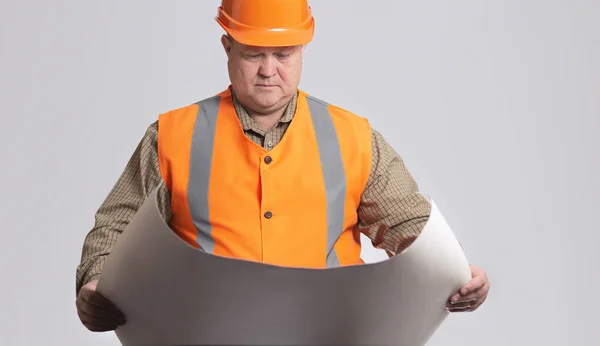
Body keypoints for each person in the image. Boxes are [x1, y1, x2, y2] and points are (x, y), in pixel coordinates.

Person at [75, 0, 490, 333]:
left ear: (303, 49)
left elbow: (412, 228)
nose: (268, 70)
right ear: (227, 47)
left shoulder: (354, 137)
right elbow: (116, 227)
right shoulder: (171, 135)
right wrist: (95, 283)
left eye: (283, 54)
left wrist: (458, 274)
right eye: (254, 53)